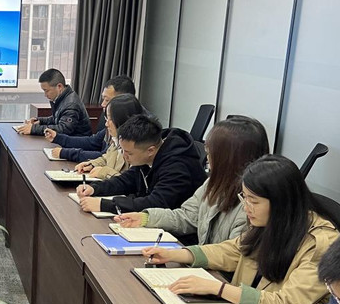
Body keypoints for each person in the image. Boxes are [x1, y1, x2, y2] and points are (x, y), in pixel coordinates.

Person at [142, 155, 340, 304]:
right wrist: (177, 254)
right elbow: (233, 250)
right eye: (244, 197)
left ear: (282, 202)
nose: (246, 208)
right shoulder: (273, 221)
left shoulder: (322, 244)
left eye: (254, 201)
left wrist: (219, 289)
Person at [116, 115, 270, 245]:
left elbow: (230, 255)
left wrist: (189, 255)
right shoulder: (213, 183)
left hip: (213, 269)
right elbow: (186, 217)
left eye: (211, 154)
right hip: (202, 263)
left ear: (228, 159)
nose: (207, 160)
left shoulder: (251, 205)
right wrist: (146, 218)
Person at [76, 114, 206, 213]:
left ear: (150, 151)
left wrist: (104, 205)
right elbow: (128, 180)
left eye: (129, 153)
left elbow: (156, 203)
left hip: (177, 232)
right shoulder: (149, 153)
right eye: (123, 150)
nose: (124, 156)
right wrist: (95, 188)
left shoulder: (177, 166)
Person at [43, 75, 138, 159]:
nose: (102, 104)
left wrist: (66, 153)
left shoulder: (133, 132)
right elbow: (92, 142)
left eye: (107, 100)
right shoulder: (113, 122)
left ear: (123, 100)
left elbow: (106, 158)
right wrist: (58, 137)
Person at [50, 94, 143, 177]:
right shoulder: (117, 139)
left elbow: (129, 182)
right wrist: (92, 164)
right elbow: (106, 158)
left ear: (123, 119)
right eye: (106, 119)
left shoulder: (137, 148)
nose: (106, 124)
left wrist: (103, 172)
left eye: (110, 119)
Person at [17, 69, 90, 137]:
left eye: (46, 90)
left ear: (59, 86)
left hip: (77, 143)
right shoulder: (62, 98)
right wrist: (40, 121)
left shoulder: (71, 104)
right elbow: (57, 118)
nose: (45, 95)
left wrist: (33, 129)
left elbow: (64, 129)